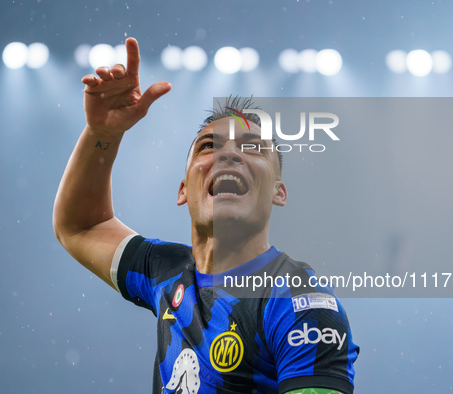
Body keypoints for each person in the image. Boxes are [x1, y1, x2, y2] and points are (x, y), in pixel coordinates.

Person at [53, 37, 358, 394]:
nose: (229, 155)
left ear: (279, 192)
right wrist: (102, 134)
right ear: (184, 190)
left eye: (251, 148)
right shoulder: (165, 272)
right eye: (209, 146)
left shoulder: (298, 302)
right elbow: (80, 225)